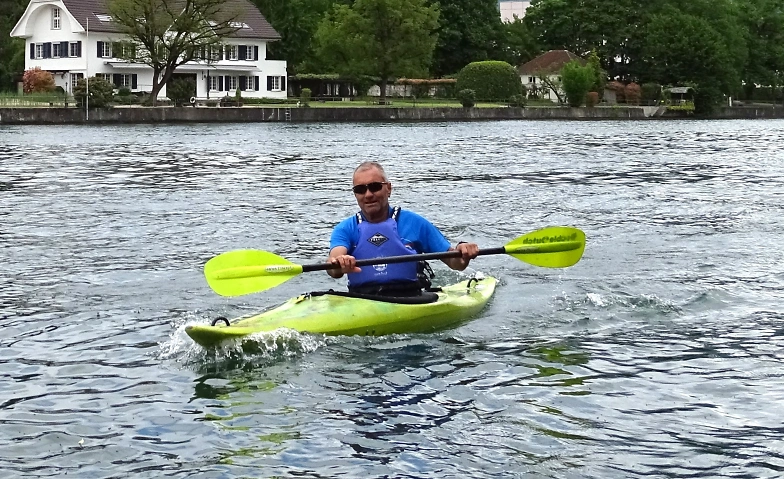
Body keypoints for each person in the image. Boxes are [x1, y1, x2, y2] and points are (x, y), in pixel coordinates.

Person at [327, 161, 479, 296]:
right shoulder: (345, 228)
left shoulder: (414, 223)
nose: (368, 195)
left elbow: (455, 262)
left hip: (410, 297)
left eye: (375, 187)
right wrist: (340, 263)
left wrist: (463, 251)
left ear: (388, 189)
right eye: (360, 189)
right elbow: (333, 267)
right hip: (361, 297)